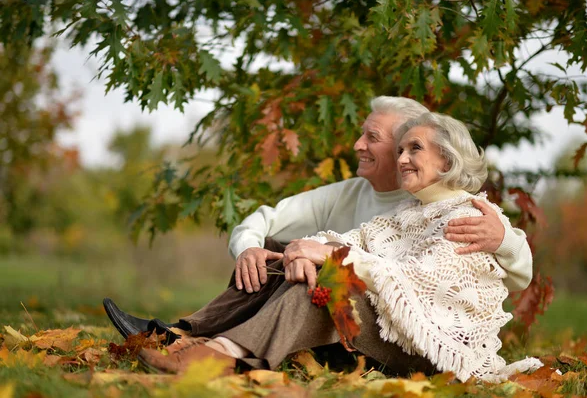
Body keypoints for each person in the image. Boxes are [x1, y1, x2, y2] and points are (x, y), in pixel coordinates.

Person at [134, 112, 541, 382]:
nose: (401, 158)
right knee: (283, 254)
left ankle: (217, 357)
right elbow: (357, 239)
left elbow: (419, 278)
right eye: (400, 149)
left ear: (448, 162)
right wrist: (303, 249)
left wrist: (329, 257)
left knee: (327, 280)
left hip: (427, 348)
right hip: (389, 324)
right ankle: (192, 334)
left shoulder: (467, 215)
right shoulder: (408, 211)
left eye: (414, 148)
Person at [230, 96, 531, 295]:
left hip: (386, 322)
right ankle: (204, 335)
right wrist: (248, 249)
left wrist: (504, 239)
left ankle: (224, 345)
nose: (357, 145)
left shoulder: (435, 204)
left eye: (372, 137)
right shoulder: (345, 193)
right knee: (269, 253)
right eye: (362, 134)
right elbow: (262, 222)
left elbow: (514, 272)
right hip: (334, 304)